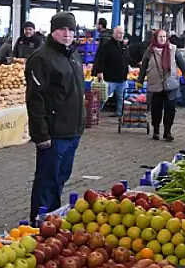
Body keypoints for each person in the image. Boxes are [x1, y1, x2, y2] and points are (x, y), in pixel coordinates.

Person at [25, 12, 86, 222]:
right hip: (53, 134)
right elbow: (35, 99)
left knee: (60, 178)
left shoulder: (73, 56)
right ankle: (40, 222)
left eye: (71, 30)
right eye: (62, 29)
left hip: (72, 131)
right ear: (53, 31)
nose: (67, 34)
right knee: (47, 181)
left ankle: (52, 221)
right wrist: (41, 134)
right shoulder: (42, 58)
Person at [139, 28, 185, 142]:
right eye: (160, 37)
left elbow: (182, 64)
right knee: (156, 109)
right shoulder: (150, 51)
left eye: (164, 37)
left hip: (170, 85)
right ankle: (156, 131)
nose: (162, 39)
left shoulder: (173, 49)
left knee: (170, 110)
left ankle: (168, 132)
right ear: (156, 38)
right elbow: (143, 67)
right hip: (156, 85)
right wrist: (139, 81)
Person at [91, 23, 129, 115]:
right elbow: (101, 60)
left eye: (122, 33)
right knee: (103, 98)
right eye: (119, 33)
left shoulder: (123, 46)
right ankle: (94, 114)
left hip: (122, 79)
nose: (121, 35)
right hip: (110, 79)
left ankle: (120, 114)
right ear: (114, 34)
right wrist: (100, 72)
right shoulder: (107, 46)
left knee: (122, 98)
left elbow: (126, 59)